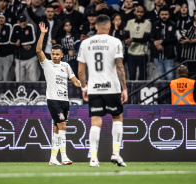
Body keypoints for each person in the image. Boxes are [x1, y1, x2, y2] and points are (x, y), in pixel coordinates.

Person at [78, 15, 128, 167]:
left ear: (96, 26)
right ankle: (116, 154)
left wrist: (84, 87)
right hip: (112, 87)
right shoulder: (115, 42)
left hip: (94, 88)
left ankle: (93, 158)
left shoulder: (85, 43)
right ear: (109, 26)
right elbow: (119, 67)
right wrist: (124, 88)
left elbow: (80, 70)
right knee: (117, 118)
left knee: (95, 121)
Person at [36, 22, 81, 165]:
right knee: (63, 126)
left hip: (64, 101)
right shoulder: (47, 64)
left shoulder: (66, 66)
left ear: (62, 55)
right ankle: (65, 157)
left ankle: (52, 159)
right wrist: (43, 34)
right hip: (53, 100)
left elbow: (74, 80)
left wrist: (82, 85)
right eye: (53, 54)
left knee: (57, 129)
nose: (54, 56)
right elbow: (38, 51)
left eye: (57, 54)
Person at [124, 5, 151, 80]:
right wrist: (127, 41)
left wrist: (132, 39)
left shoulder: (148, 23)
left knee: (142, 76)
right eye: (138, 11)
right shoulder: (129, 22)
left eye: (141, 12)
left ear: (144, 13)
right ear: (134, 12)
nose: (139, 14)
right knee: (131, 75)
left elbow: (145, 39)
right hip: (131, 53)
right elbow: (126, 35)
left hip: (142, 53)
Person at [150, 6, 177, 80]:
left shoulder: (173, 25)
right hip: (157, 56)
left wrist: (162, 42)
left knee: (170, 76)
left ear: (169, 15)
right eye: (162, 14)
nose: (164, 16)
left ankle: (170, 92)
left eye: (166, 14)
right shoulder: (155, 24)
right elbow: (151, 37)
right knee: (161, 77)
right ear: (159, 15)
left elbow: (174, 38)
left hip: (169, 56)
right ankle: (163, 92)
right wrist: (155, 42)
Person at [11, 14, 40, 82]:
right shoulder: (15, 28)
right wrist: (23, 44)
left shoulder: (30, 27)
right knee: (19, 80)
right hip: (19, 58)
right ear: (18, 22)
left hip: (31, 58)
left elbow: (33, 40)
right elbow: (11, 41)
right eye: (21, 21)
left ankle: (34, 92)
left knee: (33, 79)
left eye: (24, 21)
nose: (23, 23)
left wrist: (20, 43)